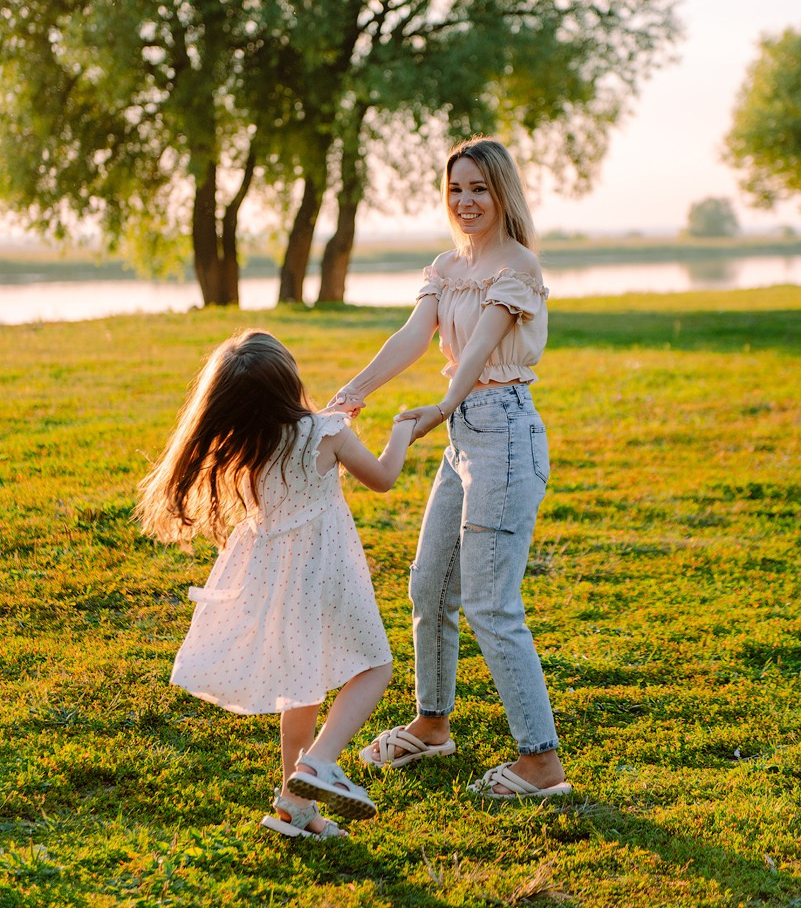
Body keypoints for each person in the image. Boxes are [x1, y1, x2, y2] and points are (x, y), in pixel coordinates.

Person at [331, 137, 571, 800]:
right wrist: (352, 393)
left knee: (492, 603)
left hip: (504, 433)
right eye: (456, 189)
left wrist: (440, 406)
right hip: (465, 441)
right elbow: (413, 337)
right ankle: (431, 724)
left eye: (479, 190)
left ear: (501, 195)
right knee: (429, 586)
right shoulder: (446, 266)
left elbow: (479, 352)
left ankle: (540, 764)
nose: (466, 202)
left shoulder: (515, 264)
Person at [136, 329, 416, 838]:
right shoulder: (326, 432)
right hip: (326, 573)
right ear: (290, 383)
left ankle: (294, 807)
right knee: (376, 666)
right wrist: (402, 431)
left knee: (301, 688)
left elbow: (294, 450)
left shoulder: (241, 445)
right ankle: (319, 764)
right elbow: (382, 477)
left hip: (274, 582)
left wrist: (335, 423)